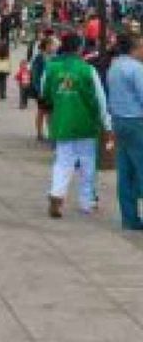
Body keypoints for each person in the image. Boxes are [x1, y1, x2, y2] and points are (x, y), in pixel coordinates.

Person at [42, 33, 112, 219]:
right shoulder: (88, 70)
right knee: (87, 163)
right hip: (86, 123)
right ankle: (86, 201)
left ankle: (57, 195)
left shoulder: (51, 68)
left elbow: (44, 93)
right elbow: (100, 99)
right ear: (79, 48)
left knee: (63, 161)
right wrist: (107, 123)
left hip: (62, 121)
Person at [107, 33, 143, 230]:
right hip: (136, 121)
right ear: (134, 48)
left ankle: (129, 218)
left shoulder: (115, 67)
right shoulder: (136, 69)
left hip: (119, 120)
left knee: (125, 171)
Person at [31, 37, 56, 142]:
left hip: (52, 89)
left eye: (54, 45)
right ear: (46, 46)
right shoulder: (39, 58)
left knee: (51, 112)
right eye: (52, 45)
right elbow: (35, 74)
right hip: (42, 88)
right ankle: (40, 133)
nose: (54, 47)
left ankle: (51, 132)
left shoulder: (55, 58)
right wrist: (38, 89)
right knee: (42, 111)